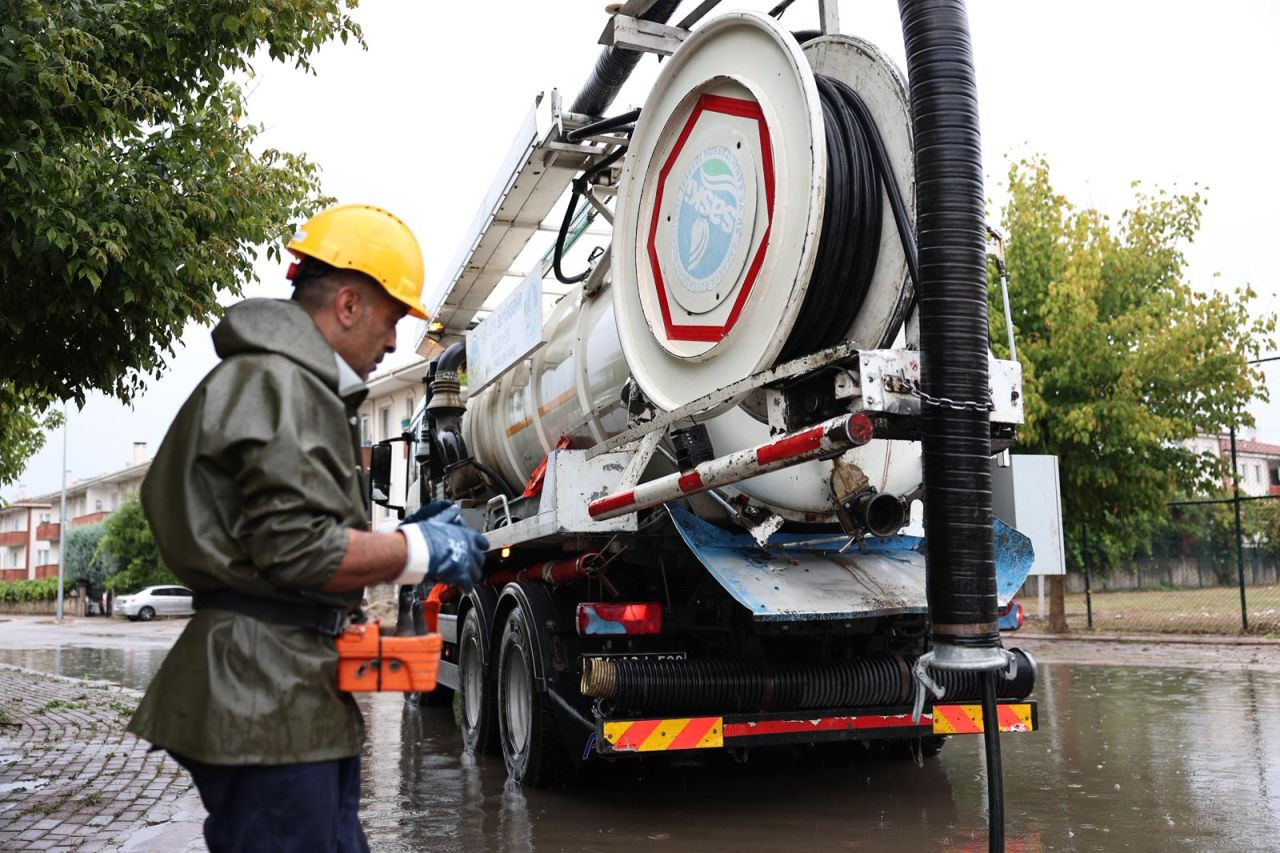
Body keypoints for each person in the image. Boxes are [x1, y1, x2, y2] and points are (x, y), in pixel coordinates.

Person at [127, 204, 489, 852]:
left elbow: (286, 542)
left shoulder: (283, 378)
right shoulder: (286, 381)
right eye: (392, 318)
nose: (393, 342)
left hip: (277, 692)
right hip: (270, 701)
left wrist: (404, 553)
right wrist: (418, 547)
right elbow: (300, 552)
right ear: (348, 304)